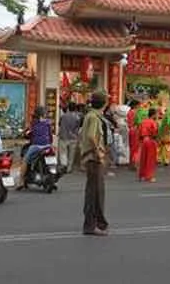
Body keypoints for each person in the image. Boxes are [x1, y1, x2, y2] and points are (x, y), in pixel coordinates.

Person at [80, 91, 109, 236]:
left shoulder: (90, 116)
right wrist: (98, 153)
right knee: (95, 193)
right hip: (93, 158)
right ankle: (91, 225)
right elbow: (92, 136)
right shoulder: (94, 118)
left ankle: (95, 223)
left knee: (93, 192)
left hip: (90, 158)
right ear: (104, 103)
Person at [18, 107, 53, 190]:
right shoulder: (48, 122)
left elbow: (28, 132)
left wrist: (25, 133)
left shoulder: (34, 123)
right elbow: (50, 134)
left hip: (37, 146)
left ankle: (21, 180)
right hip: (47, 145)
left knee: (25, 160)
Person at [58, 103, 82, 174]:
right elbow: (78, 127)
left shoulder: (63, 116)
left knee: (63, 152)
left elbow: (59, 124)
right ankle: (69, 168)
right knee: (71, 154)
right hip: (73, 137)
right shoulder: (77, 117)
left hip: (63, 136)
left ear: (68, 108)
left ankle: (64, 165)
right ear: (75, 109)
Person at [138, 108, 159, 182]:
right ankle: (149, 176)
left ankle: (142, 175)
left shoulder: (143, 122)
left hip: (144, 141)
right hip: (150, 140)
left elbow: (139, 132)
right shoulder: (153, 122)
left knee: (143, 159)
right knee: (150, 159)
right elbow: (155, 132)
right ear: (153, 114)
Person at [126, 100, 141, 168]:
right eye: (138, 105)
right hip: (135, 130)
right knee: (135, 147)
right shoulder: (134, 113)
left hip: (131, 130)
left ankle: (132, 163)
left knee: (132, 147)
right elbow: (136, 122)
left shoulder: (130, 112)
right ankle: (134, 163)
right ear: (135, 105)